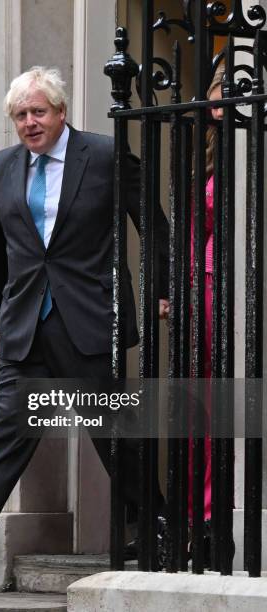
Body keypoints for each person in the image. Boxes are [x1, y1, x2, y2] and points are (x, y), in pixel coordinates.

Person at [0, 66, 170, 581]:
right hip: (24, 321)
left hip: (88, 318)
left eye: (38, 112)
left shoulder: (104, 156)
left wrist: (161, 287)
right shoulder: (3, 166)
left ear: (61, 112)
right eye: (20, 115)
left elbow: (151, 221)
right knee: (5, 434)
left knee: (112, 432)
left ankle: (159, 527)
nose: (29, 122)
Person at [188, 66, 225, 563]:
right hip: (209, 287)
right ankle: (199, 520)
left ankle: (220, 516)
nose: (220, 102)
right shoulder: (212, 150)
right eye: (216, 94)